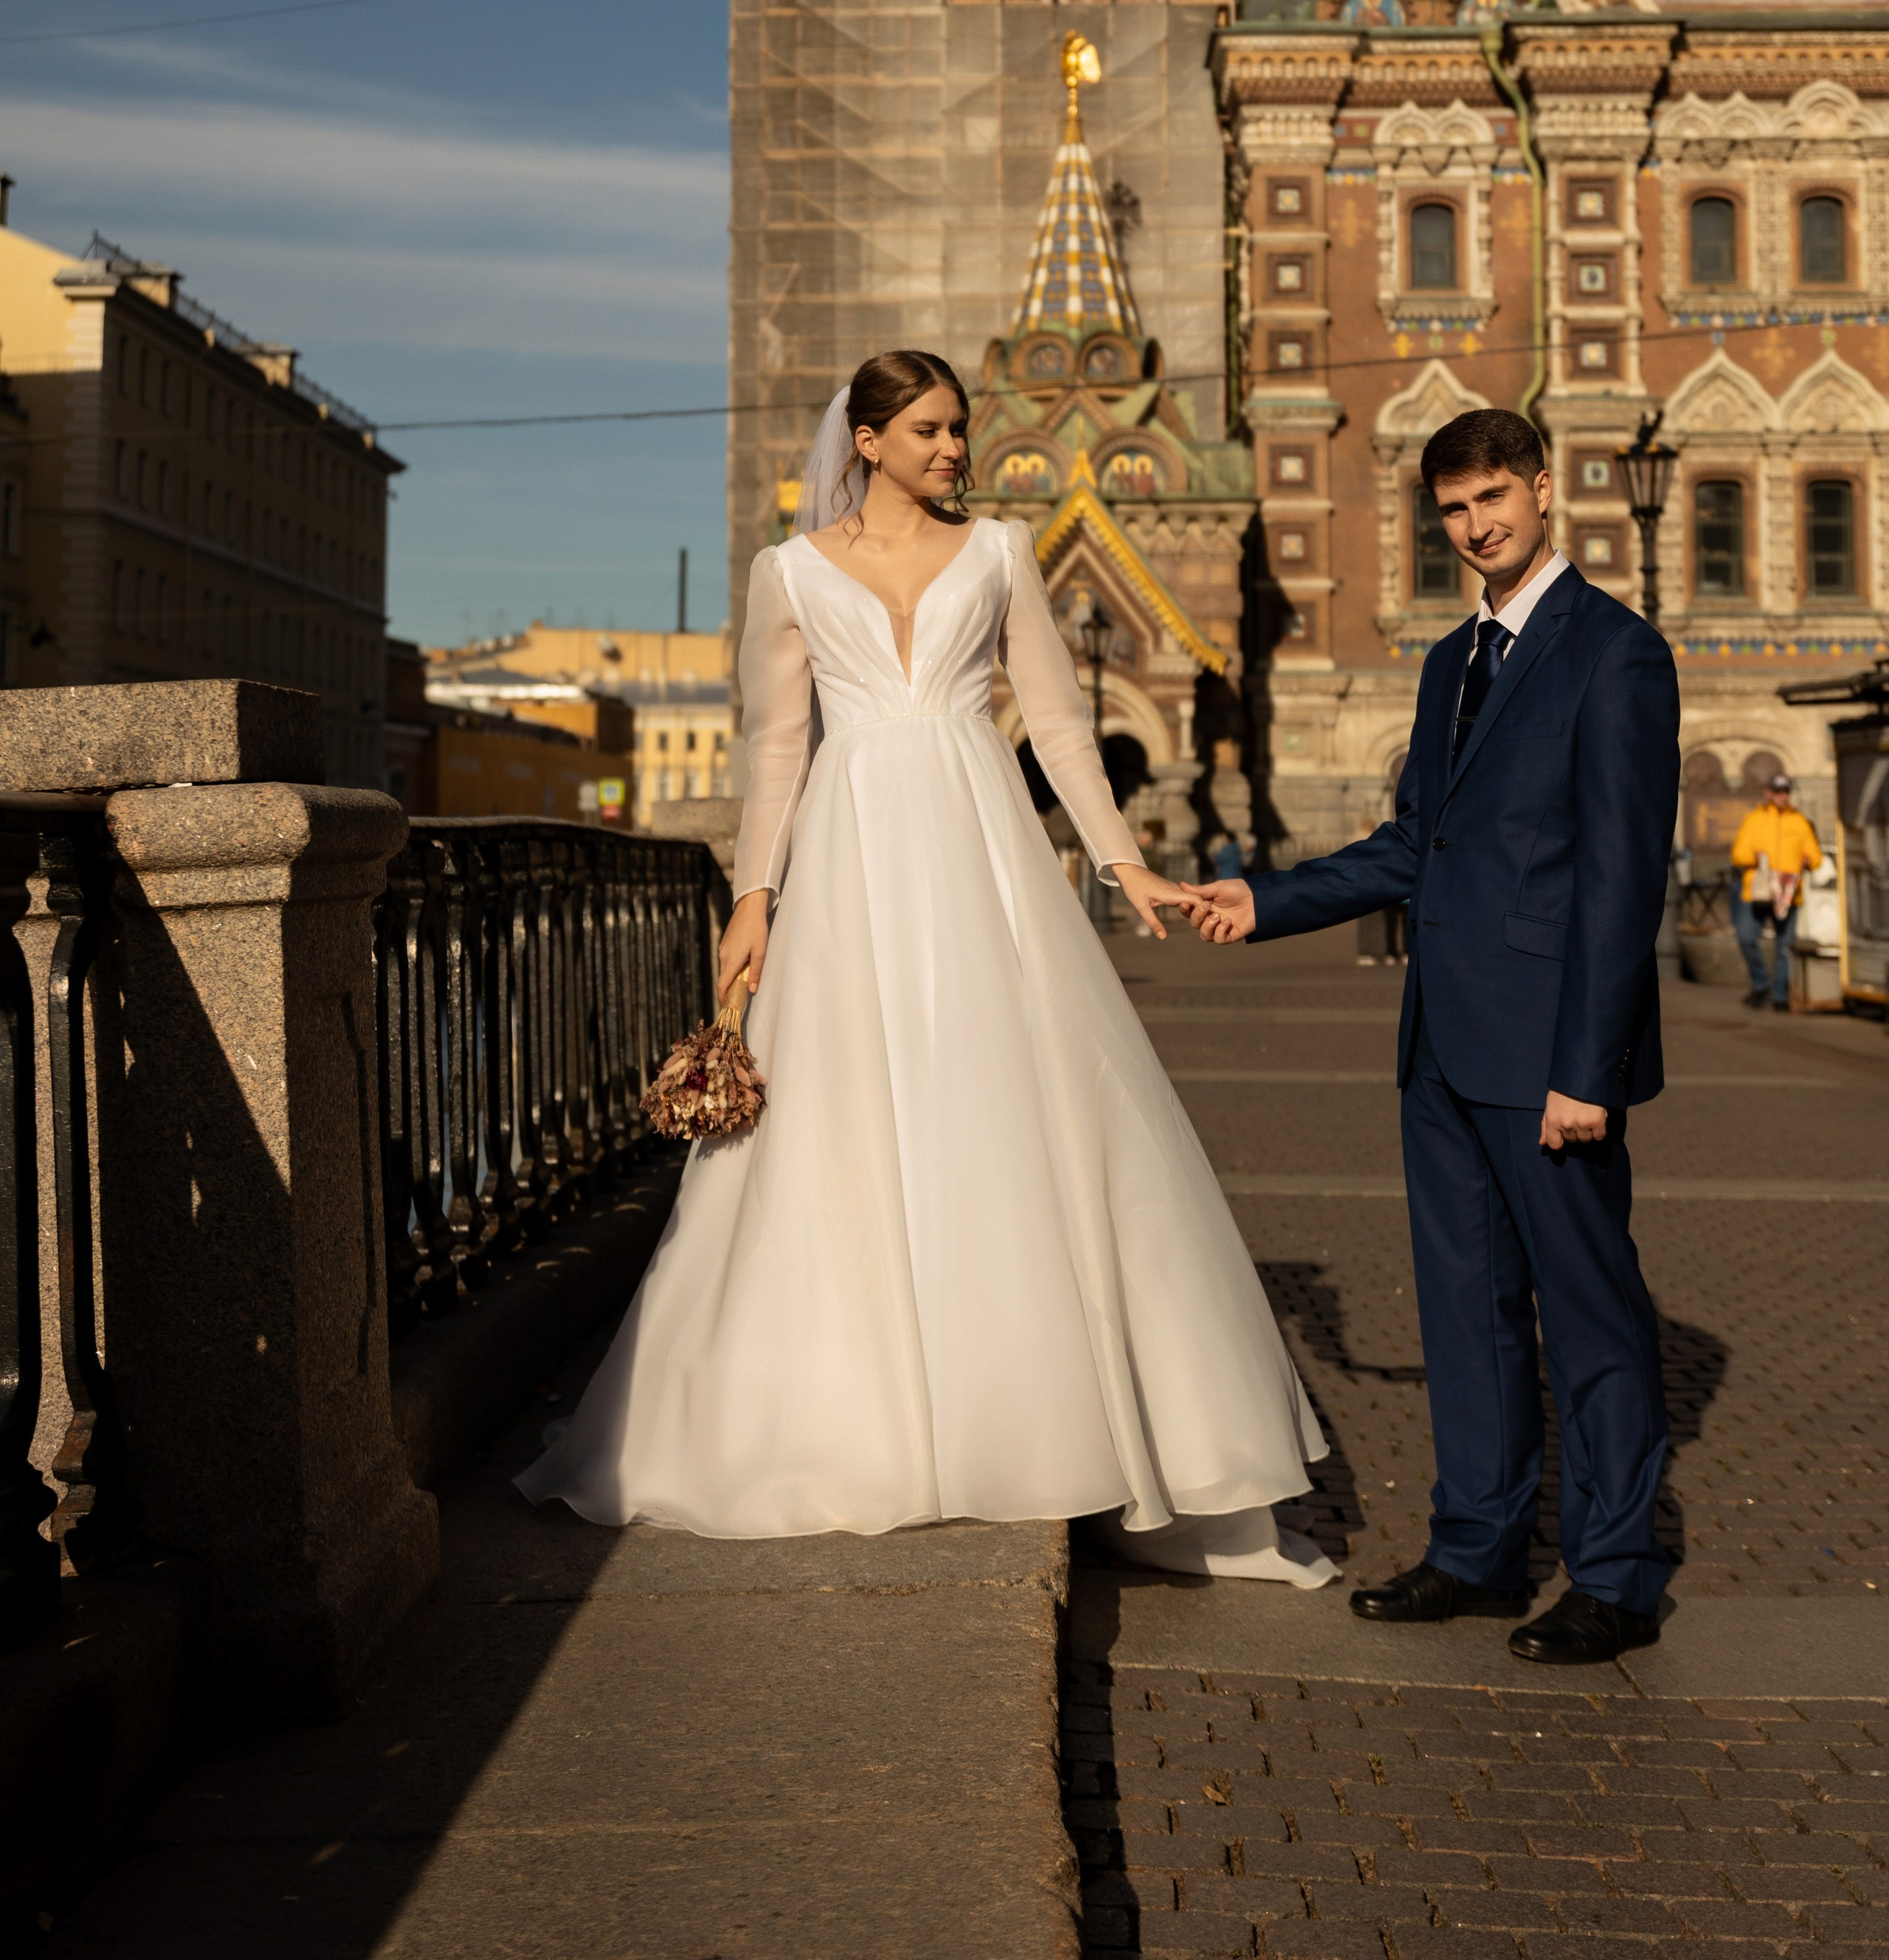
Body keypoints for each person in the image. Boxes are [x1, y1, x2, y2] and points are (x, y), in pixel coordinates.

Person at [519, 350, 1336, 1585]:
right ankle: (854, 1422)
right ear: (868, 440)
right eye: (931, 430)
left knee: (1012, 1112)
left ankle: (1044, 1420)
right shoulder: (788, 574)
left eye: (960, 429)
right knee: (842, 1124)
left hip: (981, 852)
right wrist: (754, 899)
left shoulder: (1003, 552)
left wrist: (1121, 868)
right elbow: (780, 748)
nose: (955, 449)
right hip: (850, 860)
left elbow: (1058, 728)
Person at [1176, 409, 1680, 1666]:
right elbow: (1417, 844)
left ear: (1547, 489)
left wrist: (1589, 1071)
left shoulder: (1615, 654)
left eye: (1497, 498)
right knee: (1466, 1309)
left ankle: (1615, 1575)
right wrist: (1268, 897)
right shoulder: (1450, 657)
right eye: (1457, 510)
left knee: (1593, 1315)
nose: (1479, 526)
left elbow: (1621, 882)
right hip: (1443, 1047)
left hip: (1549, 1059)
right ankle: (1478, 1550)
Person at [1727, 773, 1821, 1010]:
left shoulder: (1799, 822)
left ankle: (1780, 996)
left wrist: (1811, 860)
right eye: (1778, 791)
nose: (1783, 796)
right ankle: (1761, 985)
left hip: (1789, 895)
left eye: (1786, 791)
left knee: (1785, 946)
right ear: (1768, 793)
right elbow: (1738, 854)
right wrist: (1755, 857)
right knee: (1746, 937)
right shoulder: (1754, 820)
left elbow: (1816, 856)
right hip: (1757, 892)